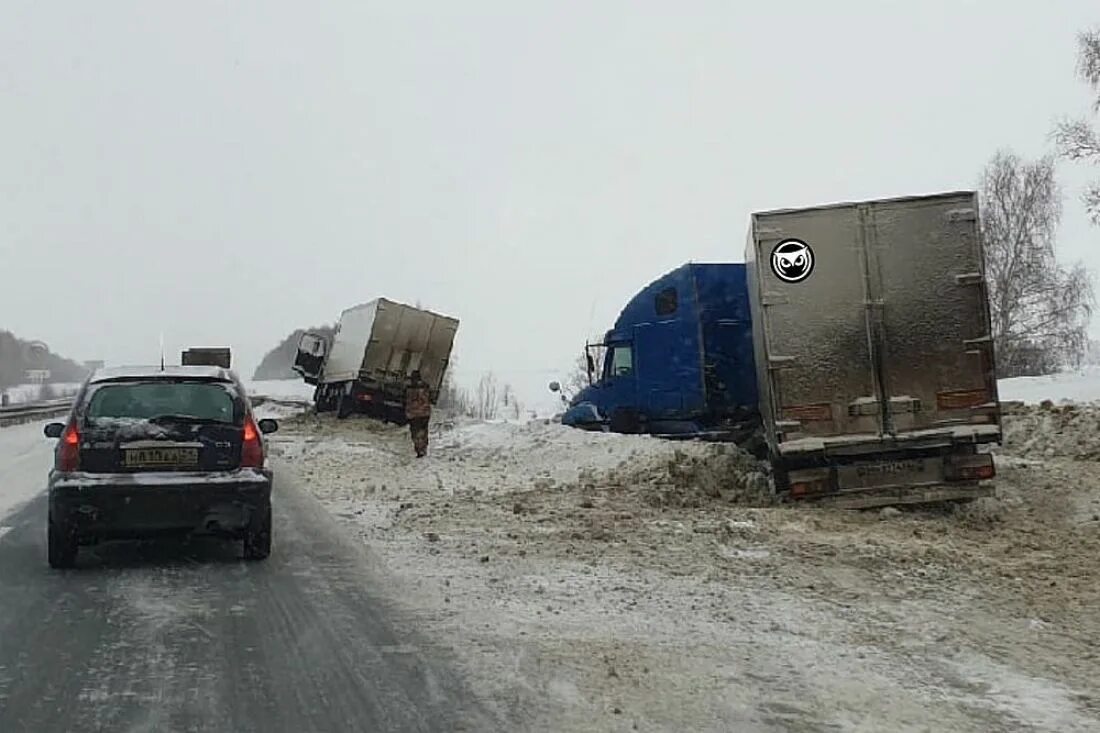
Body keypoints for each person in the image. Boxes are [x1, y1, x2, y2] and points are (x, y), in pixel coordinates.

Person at [404, 370, 432, 458]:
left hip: (414, 414)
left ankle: (419, 450)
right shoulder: (426, 386)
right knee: (423, 432)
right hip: (425, 414)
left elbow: (406, 400)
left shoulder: (409, 389)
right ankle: (423, 449)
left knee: (415, 433)